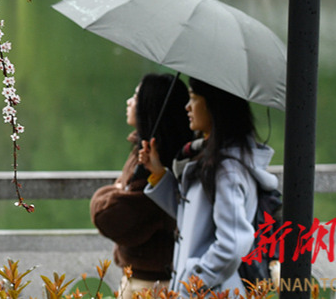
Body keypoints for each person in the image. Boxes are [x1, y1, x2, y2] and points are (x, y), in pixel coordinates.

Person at [139, 78, 278, 295]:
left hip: (213, 291)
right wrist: (158, 174)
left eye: (193, 99)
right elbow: (194, 221)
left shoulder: (227, 170)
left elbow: (233, 243)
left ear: (214, 106)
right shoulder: (209, 158)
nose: (187, 107)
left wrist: (195, 281)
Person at [90, 73, 192, 299]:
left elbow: (110, 215)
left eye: (136, 97)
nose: (129, 102)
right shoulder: (147, 152)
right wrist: (117, 191)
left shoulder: (157, 160)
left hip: (152, 284)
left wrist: (112, 193)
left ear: (149, 107)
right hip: (143, 278)